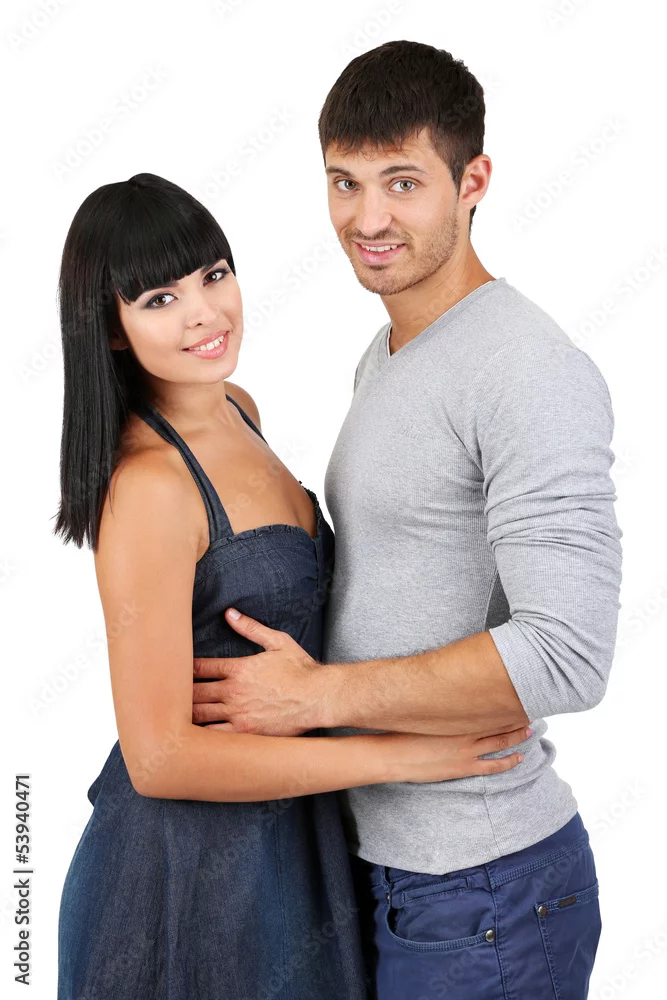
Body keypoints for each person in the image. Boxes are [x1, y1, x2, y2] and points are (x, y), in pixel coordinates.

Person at [192, 41, 623, 999]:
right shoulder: (388, 352)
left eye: (401, 182)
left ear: (472, 182)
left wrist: (315, 698)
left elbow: (569, 656)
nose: (367, 218)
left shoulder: (525, 369)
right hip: (395, 873)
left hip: (486, 889)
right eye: (343, 182)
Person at [53, 170, 529, 1000]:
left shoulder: (238, 407)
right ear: (114, 331)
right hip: (186, 877)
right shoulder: (150, 487)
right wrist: (402, 758)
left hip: (292, 850)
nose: (204, 313)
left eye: (213, 275)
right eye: (159, 299)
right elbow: (158, 759)